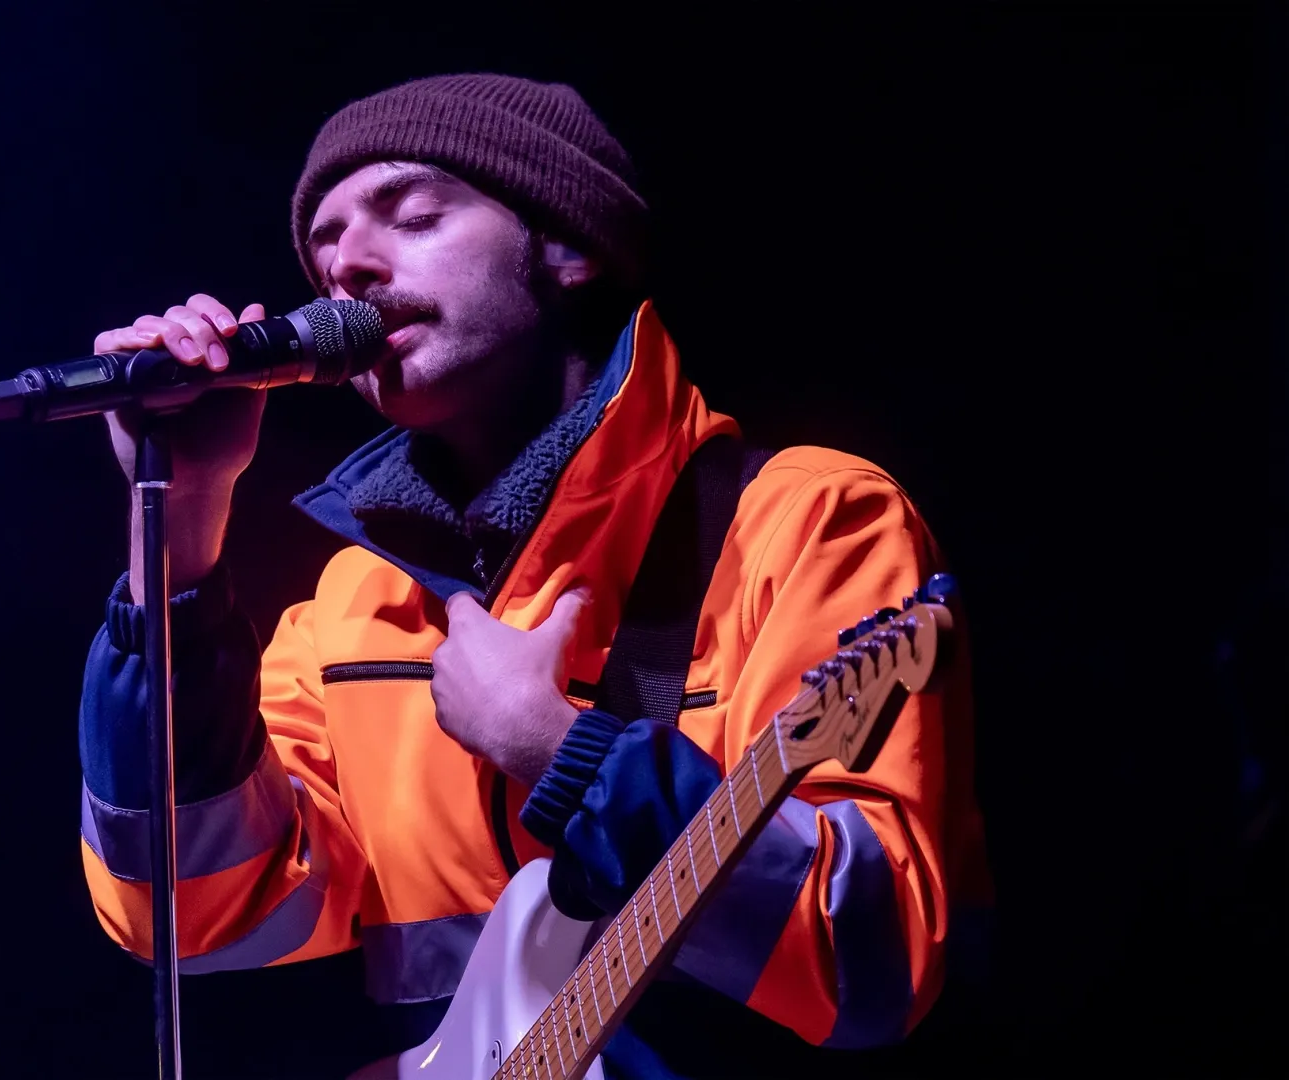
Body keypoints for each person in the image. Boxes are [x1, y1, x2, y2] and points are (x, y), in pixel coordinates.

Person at [76, 73, 989, 1078]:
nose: (348, 267)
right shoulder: (350, 612)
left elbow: (875, 961)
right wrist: (184, 526)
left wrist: (561, 750)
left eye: (411, 214)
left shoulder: (807, 521)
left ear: (569, 246)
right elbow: (192, 915)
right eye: (324, 250)